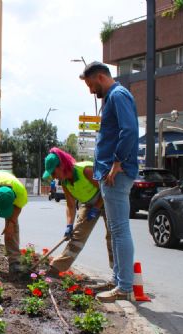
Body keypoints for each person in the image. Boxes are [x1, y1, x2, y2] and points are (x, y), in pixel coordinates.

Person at [80, 61, 139, 302]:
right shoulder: (112, 98)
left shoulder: (118, 95)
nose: (91, 91)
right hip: (109, 173)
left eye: (92, 85)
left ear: (101, 77)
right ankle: (118, 280)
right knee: (115, 231)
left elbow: (130, 131)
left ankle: (124, 287)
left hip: (116, 173)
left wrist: (117, 162)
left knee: (119, 230)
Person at [42, 148, 113, 286]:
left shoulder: (85, 170)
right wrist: (69, 225)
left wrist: (97, 207)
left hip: (107, 200)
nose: (53, 177)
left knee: (112, 236)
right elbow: (70, 205)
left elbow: (105, 190)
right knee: (77, 237)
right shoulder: (65, 182)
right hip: (88, 204)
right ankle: (56, 268)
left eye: (54, 172)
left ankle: (117, 274)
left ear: (61, 166)